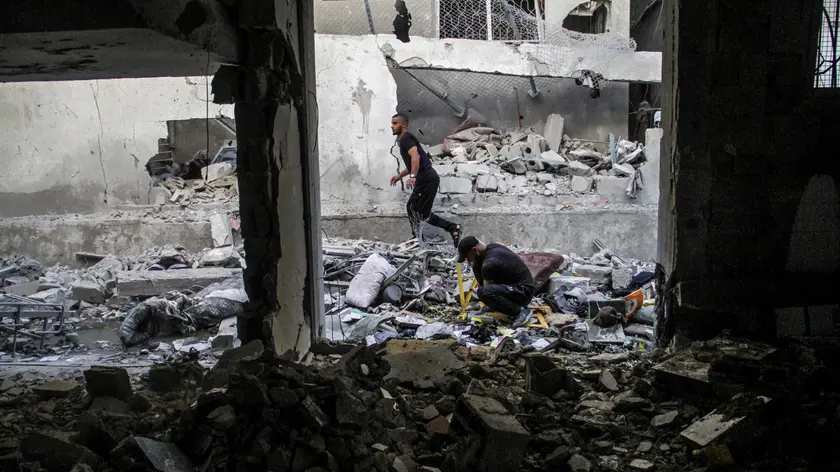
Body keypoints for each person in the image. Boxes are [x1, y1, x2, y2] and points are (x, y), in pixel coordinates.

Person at [389, 113, 462, 246]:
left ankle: (447, 229)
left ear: (403, 124)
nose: (392, 126)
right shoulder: (404, 139)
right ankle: (419, 236)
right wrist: (400, 176)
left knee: (418, 210)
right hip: (425, 179)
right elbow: (413, 164)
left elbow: (415, 157)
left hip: (427, 179)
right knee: (415, 209)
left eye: (395, 123)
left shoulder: (406, 138)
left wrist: (412, 177)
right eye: (392, 123)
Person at [457, 236, 534, 327]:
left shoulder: (489, 263)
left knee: (484, 292)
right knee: (476, 266)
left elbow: (486, 290)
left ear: (475, 250)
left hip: (524, 292)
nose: (468, 261)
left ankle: (520, 311)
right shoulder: (492, 247)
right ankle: (495, 305)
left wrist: (482, 294)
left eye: (467, 257)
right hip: (512, 287)